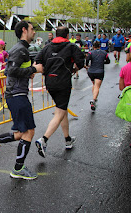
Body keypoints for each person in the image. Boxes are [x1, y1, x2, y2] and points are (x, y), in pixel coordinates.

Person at [0, 20, 43, 180]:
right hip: (17, 95)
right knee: (29, 131)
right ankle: (17, 169)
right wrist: (34, 69)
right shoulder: (19, 49)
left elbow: (16, 70)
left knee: (21, 133)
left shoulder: (23, 49)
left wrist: (29, 72)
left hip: (17, 94)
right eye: (32, 29)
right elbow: (10, 71)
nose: (34, 32)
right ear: (24, 30)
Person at [34, 26, 85, 157]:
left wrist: (47, 70)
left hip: (49, 83)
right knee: (59, 112)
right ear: (67, 35)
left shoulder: (47, 47)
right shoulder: (71, 46)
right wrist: (74, 69)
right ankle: (43, 140)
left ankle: (68, 140)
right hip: (63, 83)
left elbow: (38, 61)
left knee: (62, 110)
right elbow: (81, 60)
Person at [85, 41, 110, 111]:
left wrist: (87, 65)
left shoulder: (90, 53)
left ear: (93, 46)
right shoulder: (104, 53)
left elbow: (87, 60)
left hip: (91, 71)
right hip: (99, 71)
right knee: (97, 86)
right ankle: (94, 99)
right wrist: (102, 62)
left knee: (94, 84)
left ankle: (94, 98)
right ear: (100, 46)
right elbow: (108, 61)